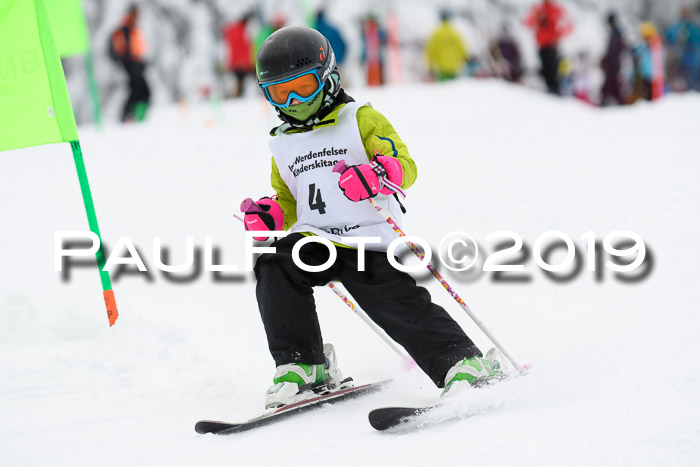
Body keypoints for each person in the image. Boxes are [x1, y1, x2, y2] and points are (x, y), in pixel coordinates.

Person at [243, 27, 504, 409]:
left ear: (328, 77)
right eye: (281, 93)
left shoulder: (359, 119)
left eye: (304, 86)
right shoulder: (282, 142)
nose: (295, 100)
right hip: (315, 238)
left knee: (391, 302)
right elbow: (289, 199)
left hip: (367, 240)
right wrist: (271, 214)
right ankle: (304, 365)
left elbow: (406, 166)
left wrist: (378, 174)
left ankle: (461, 362)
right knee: (274, 263)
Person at [109, 4, 150, 122]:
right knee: (140, 89)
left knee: (138, 89)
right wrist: (132, 63)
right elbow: (127, 49)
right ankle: (131, 116)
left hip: (134, 63)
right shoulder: (128, 27)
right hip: (131, 64)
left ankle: (133, 115)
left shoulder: (131, 26)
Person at [524, 0, 573, 95]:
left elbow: (568, 24)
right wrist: (537, 18)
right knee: (545, 69)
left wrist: (558, 35)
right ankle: (549, 89)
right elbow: (528, 22)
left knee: (552, 69)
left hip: (551, 47)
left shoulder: (556, 9)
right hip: (542, 47)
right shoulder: (539, 9)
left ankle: (554, 89)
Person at [425, 10, 469, 81]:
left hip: (441, 68)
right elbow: (462, 48)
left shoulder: (436, 34)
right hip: (455, 67)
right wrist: (465, 59)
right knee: (454, 88)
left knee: (443, 89)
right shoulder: (455, 33)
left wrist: (430, 65)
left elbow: (431, 51)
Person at [666, 7, 700, 91]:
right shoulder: (677, 26)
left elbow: (697, 38)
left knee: (694, 74)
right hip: (681, 56)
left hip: (693, 55)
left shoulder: (692, 26)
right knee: (682, 74)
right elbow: (670, 36)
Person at [223, 13, 253, 98]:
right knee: (240, 82)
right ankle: (236, 97)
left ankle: (236, 96)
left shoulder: (234, 31)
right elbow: (243, 48)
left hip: (235, 62)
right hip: (240, 63)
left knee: (239, 81)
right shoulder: (240, 31)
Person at [634, 22, 665, 101]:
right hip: (649, 75)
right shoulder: (647, 45)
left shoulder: (653, 44)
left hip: (653, 76)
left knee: (652, 98)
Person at [600, 13, 625, 105]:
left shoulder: (616, 33)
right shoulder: (616, 33)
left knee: (610, 85)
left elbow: (613, 51)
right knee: (612, 86)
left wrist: (606, 60)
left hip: (613, 65)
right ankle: (619, 103)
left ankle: (603, 104)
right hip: (614, 64)